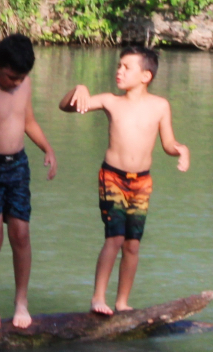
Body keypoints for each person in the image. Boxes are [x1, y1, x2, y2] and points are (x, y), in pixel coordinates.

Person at [59, 45, 190, 315]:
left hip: (142, 183)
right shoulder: (110, 101)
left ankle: (122, 302)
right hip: (112, 178)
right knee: (115, 238)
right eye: (119, 66)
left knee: (132, 244)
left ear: (146, 76)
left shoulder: (160, 106)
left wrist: (181, 149)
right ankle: (98, 298)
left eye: (126, 67)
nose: (119, 71)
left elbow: (167, 143)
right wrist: (79, 89)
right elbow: (66, 106)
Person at [0, 33, 57, 329]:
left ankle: (22, 301)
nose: (16, 83)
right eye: (11, 77)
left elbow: (28, 121)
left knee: (21, 234)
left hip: (18, 164)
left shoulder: (24, 84)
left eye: (21, 78)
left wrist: (47, 148)